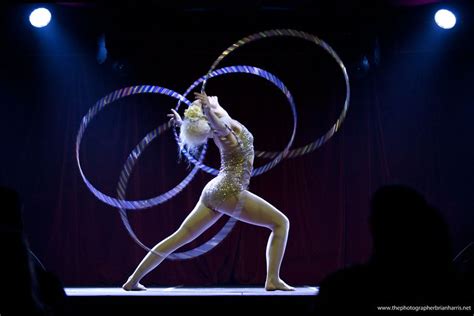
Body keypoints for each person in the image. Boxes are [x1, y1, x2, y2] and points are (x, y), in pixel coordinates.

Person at [122, 92, 294, 291]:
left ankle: (132, 280)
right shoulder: (223, 128)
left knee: (178, 237)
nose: (207, 95)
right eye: (203, 102)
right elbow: (219, 126)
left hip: (214, 191)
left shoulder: (220, 118)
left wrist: (183, 123)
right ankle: (273, 279)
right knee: (281, 223)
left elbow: (209, 124)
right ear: (207, 112)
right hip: (229, 189)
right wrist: (205, 112)